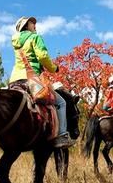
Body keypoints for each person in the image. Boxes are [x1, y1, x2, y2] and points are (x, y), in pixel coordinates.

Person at [9, 16, 76, 148]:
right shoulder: (35, 37)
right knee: (61, 102)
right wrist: (53, 68)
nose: (34, 25)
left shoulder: (16, 43)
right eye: (32, 23)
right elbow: (42, 56)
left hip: (14, 80)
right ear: (26, 26)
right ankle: (61, 136)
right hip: (31, 78)